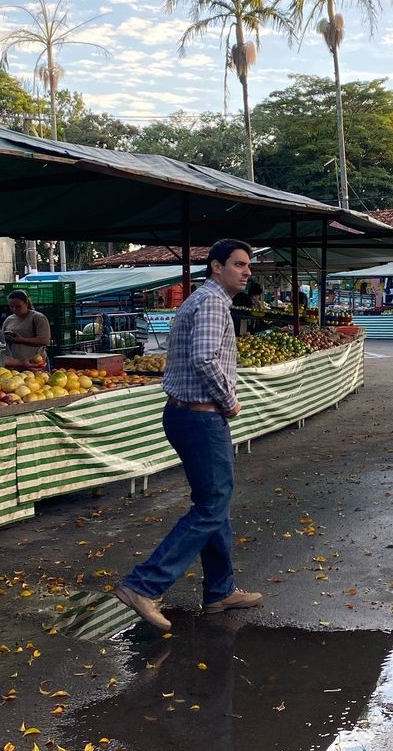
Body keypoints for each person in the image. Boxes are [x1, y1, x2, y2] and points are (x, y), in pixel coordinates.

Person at [114, 238, 262, 631]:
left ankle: (220, 590)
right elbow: (205, 358)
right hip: (201, 417)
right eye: (239, 264)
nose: (247, 271)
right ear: (216, 267)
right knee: (211, 506)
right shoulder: (212, 303)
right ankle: (143, 585)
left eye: (248, 265)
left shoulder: (202, 300)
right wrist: (229, 400)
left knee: (216, 502)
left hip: (188, 416)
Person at [2, 290, 51, 368]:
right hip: (14, 364)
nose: (14, 309)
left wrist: (21, 339)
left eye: (18, 306)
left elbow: (44, 340)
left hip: (34, 364)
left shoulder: (37, 318)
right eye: (11, 306)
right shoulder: (9, 319)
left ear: (26, 303)